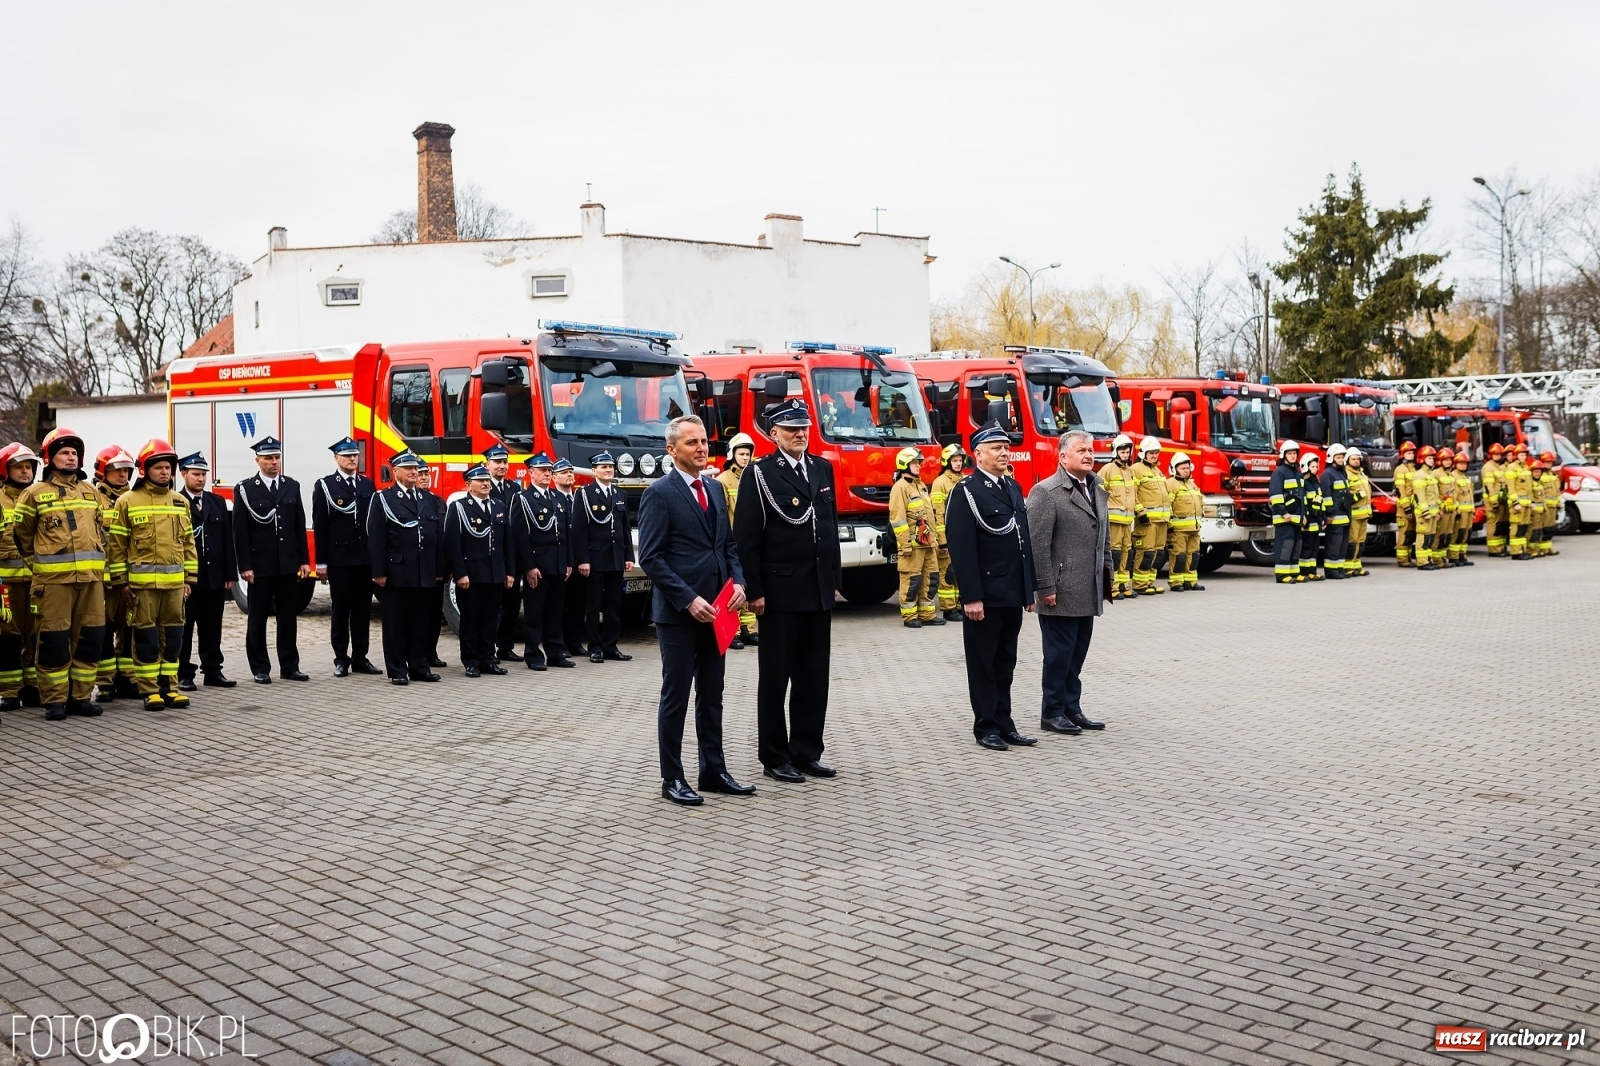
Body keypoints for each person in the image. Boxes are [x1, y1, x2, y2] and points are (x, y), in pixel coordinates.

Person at [637, 415, 751, 807]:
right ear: (671, 450)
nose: (701, 448)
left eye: (703, 441)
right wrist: (688, 599)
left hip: (718, 611)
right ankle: (672, 777)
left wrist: (738, 583)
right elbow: (650, 557)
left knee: (713, 694)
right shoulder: (660, 494)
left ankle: (713, 771)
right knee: (677, 696)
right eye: (691, 443)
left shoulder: (716, 489)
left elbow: (727, 545)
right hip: (680, 615)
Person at [732, 398, 842, 783]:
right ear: (773, 432)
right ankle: (775, 755)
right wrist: (755, 590)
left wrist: (834, 579)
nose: (799, 434)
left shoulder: (822, 468)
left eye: (804, 428)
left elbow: (829, 528)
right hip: (778, 592)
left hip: (816, 590)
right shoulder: (760, 474)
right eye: (791, 428)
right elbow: (747, 538)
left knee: (814, 676)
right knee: (776, 677)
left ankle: (807, 750)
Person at [946, 421, 1038, 751]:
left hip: (1011, 593)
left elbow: (1022, 541)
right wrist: (971, 597)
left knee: (1005, 662)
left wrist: (1028, 591)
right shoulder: (966, 491)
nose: (1004, 451)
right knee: (984, 664)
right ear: (978, 454)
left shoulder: (1011, 487)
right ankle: (986, 726)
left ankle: (1004, 721)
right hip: (985, 595)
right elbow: (962, 548)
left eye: (1006, 446)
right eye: (996, 447)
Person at [12, 428, 107, 720]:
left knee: (90, 640)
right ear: (50, 458)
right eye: (64, 453)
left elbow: (101, 532)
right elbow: (22, 536)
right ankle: (54, 700)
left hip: (90, 582)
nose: (70, 458)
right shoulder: (33, 494)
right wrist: (39, 567)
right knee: (53, 641)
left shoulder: (91, 492)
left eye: (74, 453)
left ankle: (80, 697)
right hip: (53, 585)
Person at [1027, 430, 1110, 737]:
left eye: (1090, 449)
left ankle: (1071, 708)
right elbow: (1037, 546)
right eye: (1081, 450)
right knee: (1059, 655)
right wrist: (1045, 587)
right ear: (1063, 457)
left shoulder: (1097, 488)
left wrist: (1107, 574)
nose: (1089, 455)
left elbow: (1104, 539)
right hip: (1060, 591)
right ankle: (1051, 712)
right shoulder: (1046, 492)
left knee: (1077, 653)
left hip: (1088, 588)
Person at [106, 439, 196, 711]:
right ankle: (149, 690)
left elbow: (188, 543)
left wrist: (189, 579)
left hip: (174, 588)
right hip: (141, 588)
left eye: (168, 467)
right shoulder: (127, 502)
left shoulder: (180, 502)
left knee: (173, 639)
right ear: (145, 470)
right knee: (145, 639)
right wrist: (121, 583)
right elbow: (117, 546)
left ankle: (171, 687)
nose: (165, 472)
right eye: (158, 467)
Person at [232, 436, 311, 682]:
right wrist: (244, 566)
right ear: (258, 461)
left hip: (287, 564)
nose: (274, 462)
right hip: (261, 565)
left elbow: (299, 525)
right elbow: (240, 532)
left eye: (276, 457)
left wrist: (304, 560)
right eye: (268, 458)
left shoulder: (291, 486)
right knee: (258, 619)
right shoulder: (245, 489)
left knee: (288, 618)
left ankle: (289, 666)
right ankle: (260, 668)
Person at [367, 452, 445, 684]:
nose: (414, 472)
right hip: (397, 572)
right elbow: (377, 539)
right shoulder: (384, 499)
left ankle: (419, 666)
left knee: (421, 622)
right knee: (396, 624)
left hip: (423, 572)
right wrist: (378, 572)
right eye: (409, 468)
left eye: (417, 469)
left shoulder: (428, 499)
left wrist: (438, 569)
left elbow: (437, 537)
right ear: (396, 472)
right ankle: (398, 669)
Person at [312, 436, 379, 677]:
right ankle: (341, 658)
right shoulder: (326, 485)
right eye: (347, 455)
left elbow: (373, 524)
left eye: (355, 455)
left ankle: (361, 657)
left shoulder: (367, 485)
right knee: (341, 610)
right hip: (340, 559)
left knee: (363, 612)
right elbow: (321, 526)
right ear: (336, 458)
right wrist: (321, 562)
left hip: (364, 559)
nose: (352, 459)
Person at [445, 464, 515, 677]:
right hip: (472, 574)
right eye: (480, 481)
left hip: (494, 573)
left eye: (487, 480)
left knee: (490, 619)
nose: (486, 484)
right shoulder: (459, 507)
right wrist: (460, 573)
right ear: (469, 484)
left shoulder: (499, 506)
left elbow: (507, 543)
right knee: (471, 620)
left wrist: (509, 572)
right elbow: (453, 544)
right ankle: (471, 661)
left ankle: (488, 658)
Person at [174, 452, 236, 690]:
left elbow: (226, 541)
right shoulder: (175, 501)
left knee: (212, 627)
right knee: (185, 628)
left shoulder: (217, 502)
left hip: (214, 576)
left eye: (203, 475)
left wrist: (230, 573)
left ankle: (212, 671)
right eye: (196, 474)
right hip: (189, 578)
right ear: (183, 474)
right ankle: (184, 673)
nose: (200, 479)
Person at [512, 453, 575, 671]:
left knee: (555, 612)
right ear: (531, 473)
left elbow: (565, 532)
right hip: (538, 565)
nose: (547, 474)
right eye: (543, 471)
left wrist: (568, 561)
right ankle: (533, 654)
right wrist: (529, 566)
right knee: (534, 613)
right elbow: (520, 537)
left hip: (557, 564)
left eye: (549, 471)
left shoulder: (557, 498)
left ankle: (555, 652)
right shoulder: (523, 499)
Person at [573, 452, 635, 663]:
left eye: (610, 467)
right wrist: (583, 559)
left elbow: (624, 528)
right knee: (593, 605)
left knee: (613, 605)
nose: (608, 470)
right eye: (603, 467)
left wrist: (628, 555)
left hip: (616, 557)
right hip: (595, 558)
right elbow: (579, 530)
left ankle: (611, 645)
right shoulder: (585, 494)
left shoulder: (619, 494)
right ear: (594, 471)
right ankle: (595, 646)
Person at [91, 445, 138, 702]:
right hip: (102, 581)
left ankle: (128, 679)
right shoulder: (91, 497)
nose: (123, 475)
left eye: (126, 470)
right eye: (116, 470)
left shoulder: (134, 498)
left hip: (128, 580)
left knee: (128, 628)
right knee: (104, 630)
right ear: (102, 471)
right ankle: (105, 683)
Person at [0, 443, 40, 711]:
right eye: (19, 467)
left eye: (28, 467)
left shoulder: (40, 497)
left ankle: (33, 687)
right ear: (5, 470)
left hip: (37, 581)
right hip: (7, 585)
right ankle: (10, 691)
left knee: (36, 636)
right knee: (8, 638)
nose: (25, 472)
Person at [716, 433, 760, 648]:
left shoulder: (754, 477)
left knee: (748, 586)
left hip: (750, 542)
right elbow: (721, 515)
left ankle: (749, 631)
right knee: (732, 589)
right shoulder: (723, 480)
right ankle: (731, 632)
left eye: (748, 454)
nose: (745, 458)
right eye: (741, 454)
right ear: (732, 455)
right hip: (731, 543)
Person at [888, 447, 940, 626]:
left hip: (927, 544)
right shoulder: (900, 487)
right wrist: (905, 545)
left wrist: (935, 540)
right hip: (913, 546)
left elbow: (929, 516)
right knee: (911, 580)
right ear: (904, 464)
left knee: (930, 578)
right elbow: (898, 519)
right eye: (914, 463)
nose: (918, 466)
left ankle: (927, 615)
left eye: (919, 463)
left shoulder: (920, 485)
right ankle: (910, 616)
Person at [482, 443, 524, 664]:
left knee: (511, 603)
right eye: (497, 462)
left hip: (511, 553)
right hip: (492, 554)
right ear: (486, 464)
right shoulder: (483, 486)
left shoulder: (514, 489)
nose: (502, 466)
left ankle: (505, 647)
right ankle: (488, 648)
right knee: (493, 606)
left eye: (504, 462)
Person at [930, 444, 967, 621]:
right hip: (948, 536)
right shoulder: (940, 483)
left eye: (960, 460)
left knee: (960, 571)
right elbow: (938, 514)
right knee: (947, 573)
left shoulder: (965, 480)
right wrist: (942, 540)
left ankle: (959, 604)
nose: (958, 464)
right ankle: (948, 608)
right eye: (955, 460)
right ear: (947, 462)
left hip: (962, 535)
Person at [554, 458, 587, 657]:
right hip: (562, 559)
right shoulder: (553, 498)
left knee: (578, 603)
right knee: (560, 604)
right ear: (555, 477)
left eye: (570, 472)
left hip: (580, 558)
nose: (569, 475)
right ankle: (561, 644)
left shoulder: (579, 498)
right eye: (564, 472)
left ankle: (575, 642)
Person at [1130, 437, 1169, 595]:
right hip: (1147, 521)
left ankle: (1149, 583)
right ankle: (1140, 584)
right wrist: (1140, 513)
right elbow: (1132, 494)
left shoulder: (1157, 470)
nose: (1154, 456)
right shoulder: (1136, 469)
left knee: (1158, 553)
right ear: (1143, 453)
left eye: (1156, 453)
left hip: (1162, 520)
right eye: (1151, 453)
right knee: (1146, 552)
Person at [1102, 434, 1138, 600]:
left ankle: (1124, 585)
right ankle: (1113, 588)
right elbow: (1099, 493)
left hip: (1127, 522)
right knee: (1114, 554)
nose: (1125, 454)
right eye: (1122, 451)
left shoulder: (1130, 471)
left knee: (1126, 553)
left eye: (1127, 451)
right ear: (1115, 452)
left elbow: (1133, 495)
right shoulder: (1107, 470)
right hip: (1114, 521)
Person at [1163, 453, 1204, 591]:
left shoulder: (1192, 484)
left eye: (1187, 468)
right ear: (1174, 469)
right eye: (1183, 468)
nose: (1186, 470)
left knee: (1194, 555)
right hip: (1178, 530)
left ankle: (1190, 581)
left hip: (1194, 529)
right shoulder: (1170, 484)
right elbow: (1167, 505)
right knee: (1179, 556)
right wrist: (1169, 527)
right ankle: (1176, 582)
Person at [1269, 439, 1305, 584]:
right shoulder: (1279, 473)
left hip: (1296, 518)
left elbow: (1302, 497)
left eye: (1295, 453)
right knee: (1285, 545)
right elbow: (1276, 496)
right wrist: (1284, 513)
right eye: (1290, 453)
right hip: (1284, 518)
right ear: (1283, 455)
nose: (1292, 456)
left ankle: (1294, 573)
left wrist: (1303, 515)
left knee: (1296, 545)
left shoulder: (1298, 473)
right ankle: (1282, 575)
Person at [1319, 444, 1353, 579]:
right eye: (1339, 457)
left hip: (1345, 515)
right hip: (1335, 517)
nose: (1341, 459)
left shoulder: (1342, 472)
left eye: (1343, 457)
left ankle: (1339, 568)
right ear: (1331, 458)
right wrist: (1330, 513)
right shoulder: (1327, 474)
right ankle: (1331, 571)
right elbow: (1326, 496)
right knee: (1334, 544)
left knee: (1343, 544)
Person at [1410, 445, 1442, 571]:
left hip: (1433, 513)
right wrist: (1425, 512)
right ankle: (1422, 562)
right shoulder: (1420, 475)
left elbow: (1435, 496)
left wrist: (1438, 510)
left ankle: (1428, 559)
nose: (1431, 460)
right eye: (1429, 458)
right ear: (1422, 459)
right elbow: (1419, 496)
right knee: (1423, 537)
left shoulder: (1431, 475)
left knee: (1430, 537)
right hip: (1424, 514)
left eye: (1432, 458)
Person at [1344, 448, 1373, 576]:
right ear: (1348, 460)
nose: (1356, 462)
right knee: (1352, 541)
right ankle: (1348, 567)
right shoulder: (1346, 474)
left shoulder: (1361, 473)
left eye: (1357, 459)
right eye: (1353, 459)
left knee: (1361, 542)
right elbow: (1346, 495)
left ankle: (1357, 565)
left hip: (1364, 514)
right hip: (1354, 515)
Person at [1298, 452, 1325, 580]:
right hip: (1308, 522)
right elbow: (1303, 502)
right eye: (1312, 466)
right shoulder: (1305, 483)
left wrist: (1322, 518)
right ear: (1306, 467)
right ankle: (1304, 572)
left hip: (1316, 521)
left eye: (1316, 466)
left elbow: (1321, 501)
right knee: (1307, 548)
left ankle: (1312, 572)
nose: (1315, 469)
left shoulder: (1316, 482)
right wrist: (1306, 517)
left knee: (1314, 548)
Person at [1505, 443, 1534, 560]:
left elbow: (1529, 488)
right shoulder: (1512, 468)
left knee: (1523, 528)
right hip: (1518, 505)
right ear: (1516, 455)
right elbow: (1511, 488)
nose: (1523, 457)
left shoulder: (1526, 468)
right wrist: (1515, 503)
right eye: (1521, 455)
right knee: (1516, 528)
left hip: (1526, 504)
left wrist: (1531, 502)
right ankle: (1516, 552)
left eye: (1525, 455)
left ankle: (1522, 550)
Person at [1480, 442, 1508, 556]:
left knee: (1500, 525)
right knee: (1493, 524)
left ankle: (1501, 547)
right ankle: (1494, 549)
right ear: (1491, 455)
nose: (1498, 456)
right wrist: (1494, 502)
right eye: (1495, 454)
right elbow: (1489, 487)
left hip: (1500, 501)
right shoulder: (1488, 468)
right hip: (1492, 502)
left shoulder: (1497, 467)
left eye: (1499, 454)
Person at [1393, 440, 1418, 566]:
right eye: (1408, 453)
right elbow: (1400, 491)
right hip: (1404, 509)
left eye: (1412, 453)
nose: (1411, 455)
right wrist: (1407, 509)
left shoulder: (1412, 469)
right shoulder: (1400, 470)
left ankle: (1408, 558)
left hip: (1414, 507)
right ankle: (1402, 560)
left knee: (1410, 534)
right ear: (1403, 454)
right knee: (1404, 533)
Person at [1452, 449, 1476, 565]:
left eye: (1465, 463)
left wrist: (1473, 510)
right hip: (1460, 512)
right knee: (1458, 534)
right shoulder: (1454, 477)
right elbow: (1454, 496)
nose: (1463, 465)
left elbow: (1470, 496)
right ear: (1455, 464)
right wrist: (1456, 511)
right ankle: (1454, 557)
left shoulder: (1465, 478)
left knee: (1466, 534)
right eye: (1461, 463)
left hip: (1469, 511)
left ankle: (1462, 555)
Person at [1538, 451, 1561, 557]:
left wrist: (1559, 503)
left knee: (1550, 528)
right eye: (1546, 462)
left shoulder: (1553, 475)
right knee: (1542, 528)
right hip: (1545, 507)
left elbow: (1557, 491)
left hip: (1553, 507)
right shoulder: (1539, 475)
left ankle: (1547, 547)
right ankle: (1541, 547)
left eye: (1550, 462)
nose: (1549, 464)